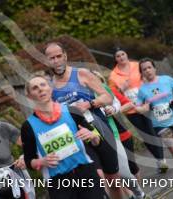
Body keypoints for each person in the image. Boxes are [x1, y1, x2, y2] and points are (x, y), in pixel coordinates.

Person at [42, 42, 123, 199]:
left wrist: (90, 103)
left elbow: (108, 97)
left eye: (59, 56)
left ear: (65, 56)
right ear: (47, 61)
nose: (56, 60)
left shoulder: (82, 74)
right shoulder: (49, 88)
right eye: (52, 58)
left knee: (113, 180)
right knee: (97, 178)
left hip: (99, 128)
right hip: (77, 137)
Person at [21, 75, 107, 199]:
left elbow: (97, 140)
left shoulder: (72, 111)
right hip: (58, 182)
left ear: (50, 88)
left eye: (43, 85)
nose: (40, 89)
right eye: (35, 88)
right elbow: (29, 161)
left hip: (85, 172)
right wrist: (41, 161)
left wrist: (92, 136)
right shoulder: (28, 126)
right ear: (29, 96)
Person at [91, 70, 151, 199]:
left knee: (125, 174)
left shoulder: (104, 89)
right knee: (105, 180)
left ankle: (139, 194)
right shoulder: (79, 96)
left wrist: (113, 109)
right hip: (91, 142)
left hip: (112, 135)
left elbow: (118, 103)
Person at [108, 48, 168, 174]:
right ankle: (159, 159)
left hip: (146, 103)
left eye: (123, 54)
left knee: (152, 131)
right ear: (115, 59)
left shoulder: (137, 66)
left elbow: (147, 77)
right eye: (118, 56)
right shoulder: (113, 75)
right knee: (145, 135)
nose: (121, 57)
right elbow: (113, 94)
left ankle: (162, 160)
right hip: (131, 109)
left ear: (127, 54)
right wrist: (122, 88)